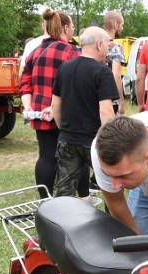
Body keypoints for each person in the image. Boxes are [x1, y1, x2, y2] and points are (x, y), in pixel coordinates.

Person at [51, 26, 118, 199]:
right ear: (98, 44)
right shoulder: (102, 72)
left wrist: (64, 130)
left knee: (63, 191)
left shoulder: (64, 68)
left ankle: (59, 223)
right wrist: (111, 142)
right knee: (111, 188)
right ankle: (113, 225)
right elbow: (106, 111)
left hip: (67, 140)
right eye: (106, 44)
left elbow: (55, 106)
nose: (107, 49)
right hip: (94, 141)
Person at [19, 9, 79, 198]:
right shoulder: (71, 52)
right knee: (74, 157)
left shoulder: (36, 51)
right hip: (66, 113)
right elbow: (76, 85)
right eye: (73, 26)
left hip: (39, 111)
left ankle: (45, 201)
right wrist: (57, 108)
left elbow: (24, 81)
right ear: (66, 28)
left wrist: (28, 106)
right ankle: (74, 199)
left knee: (46, 156)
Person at [103, 10, 126, 115]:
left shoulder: (93, 44)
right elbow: (116, 75)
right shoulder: (115, 47)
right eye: (121, 25)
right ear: (116, 25)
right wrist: (121, 101)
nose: (122, 28)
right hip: (110, 99)